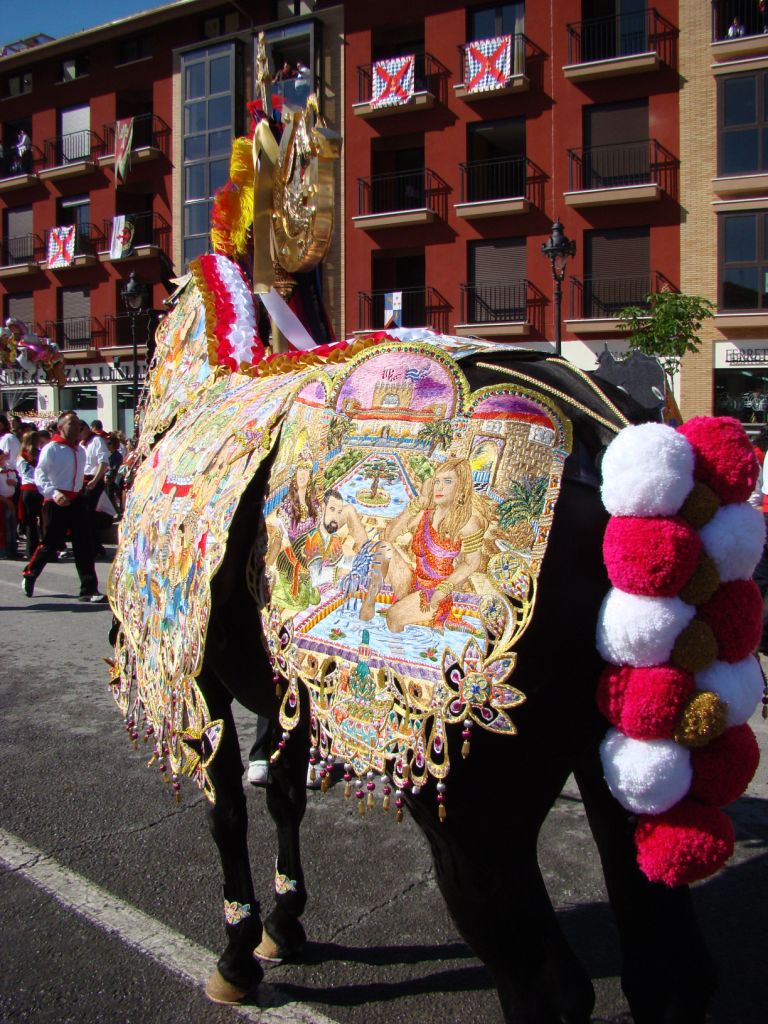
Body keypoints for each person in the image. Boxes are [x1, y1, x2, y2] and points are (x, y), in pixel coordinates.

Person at [359, 457, 493, 633]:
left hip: (436, 593)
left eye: (447, 481)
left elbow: (471, 562)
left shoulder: (467, 522)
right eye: (437, 481)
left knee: (393, 616)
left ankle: (400, 646)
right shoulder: (427, 514)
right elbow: (389, 536)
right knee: (384, 548)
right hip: (414, 582)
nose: (439, 487)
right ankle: (368, 604)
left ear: (461, 487)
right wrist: (418, 503)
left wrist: (445, 588)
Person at [22, 411, 106, 601]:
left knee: (84, 544)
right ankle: (30, 573)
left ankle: (89, 589)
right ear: (61, 427)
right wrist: (54, 493)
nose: (77, 427)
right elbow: (40, 475)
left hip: (76, 500)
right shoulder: (52, 448)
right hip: (56, 501)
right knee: (50, 543)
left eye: (78, 424)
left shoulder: (80, 450)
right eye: (72, 423)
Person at [80, 419, 110, 558]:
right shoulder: (81, 444)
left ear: (86, 429)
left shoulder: (97, 441)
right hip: (82, 480)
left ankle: (95, 546)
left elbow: (103, 462)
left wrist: (96, 479)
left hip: (93, 480)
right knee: (85, 515)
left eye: (80, 431)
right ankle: (93, 545)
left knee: (88, 513)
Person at [17, 430, 43, 560]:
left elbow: (20, 473)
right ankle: (47, 550)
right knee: (43, 521)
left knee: (30, 522)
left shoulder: (21, 456)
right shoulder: (40, 454)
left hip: (27, 490)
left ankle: (31, 550)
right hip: (39, 489)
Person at [0, 413, 20, 558]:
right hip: (3, 497)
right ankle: (5, 549)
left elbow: (13, 461)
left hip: (9, 491)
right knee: (4, 525)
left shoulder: (8, 438)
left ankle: (11, 548)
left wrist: (12, 478)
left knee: (10, 523)